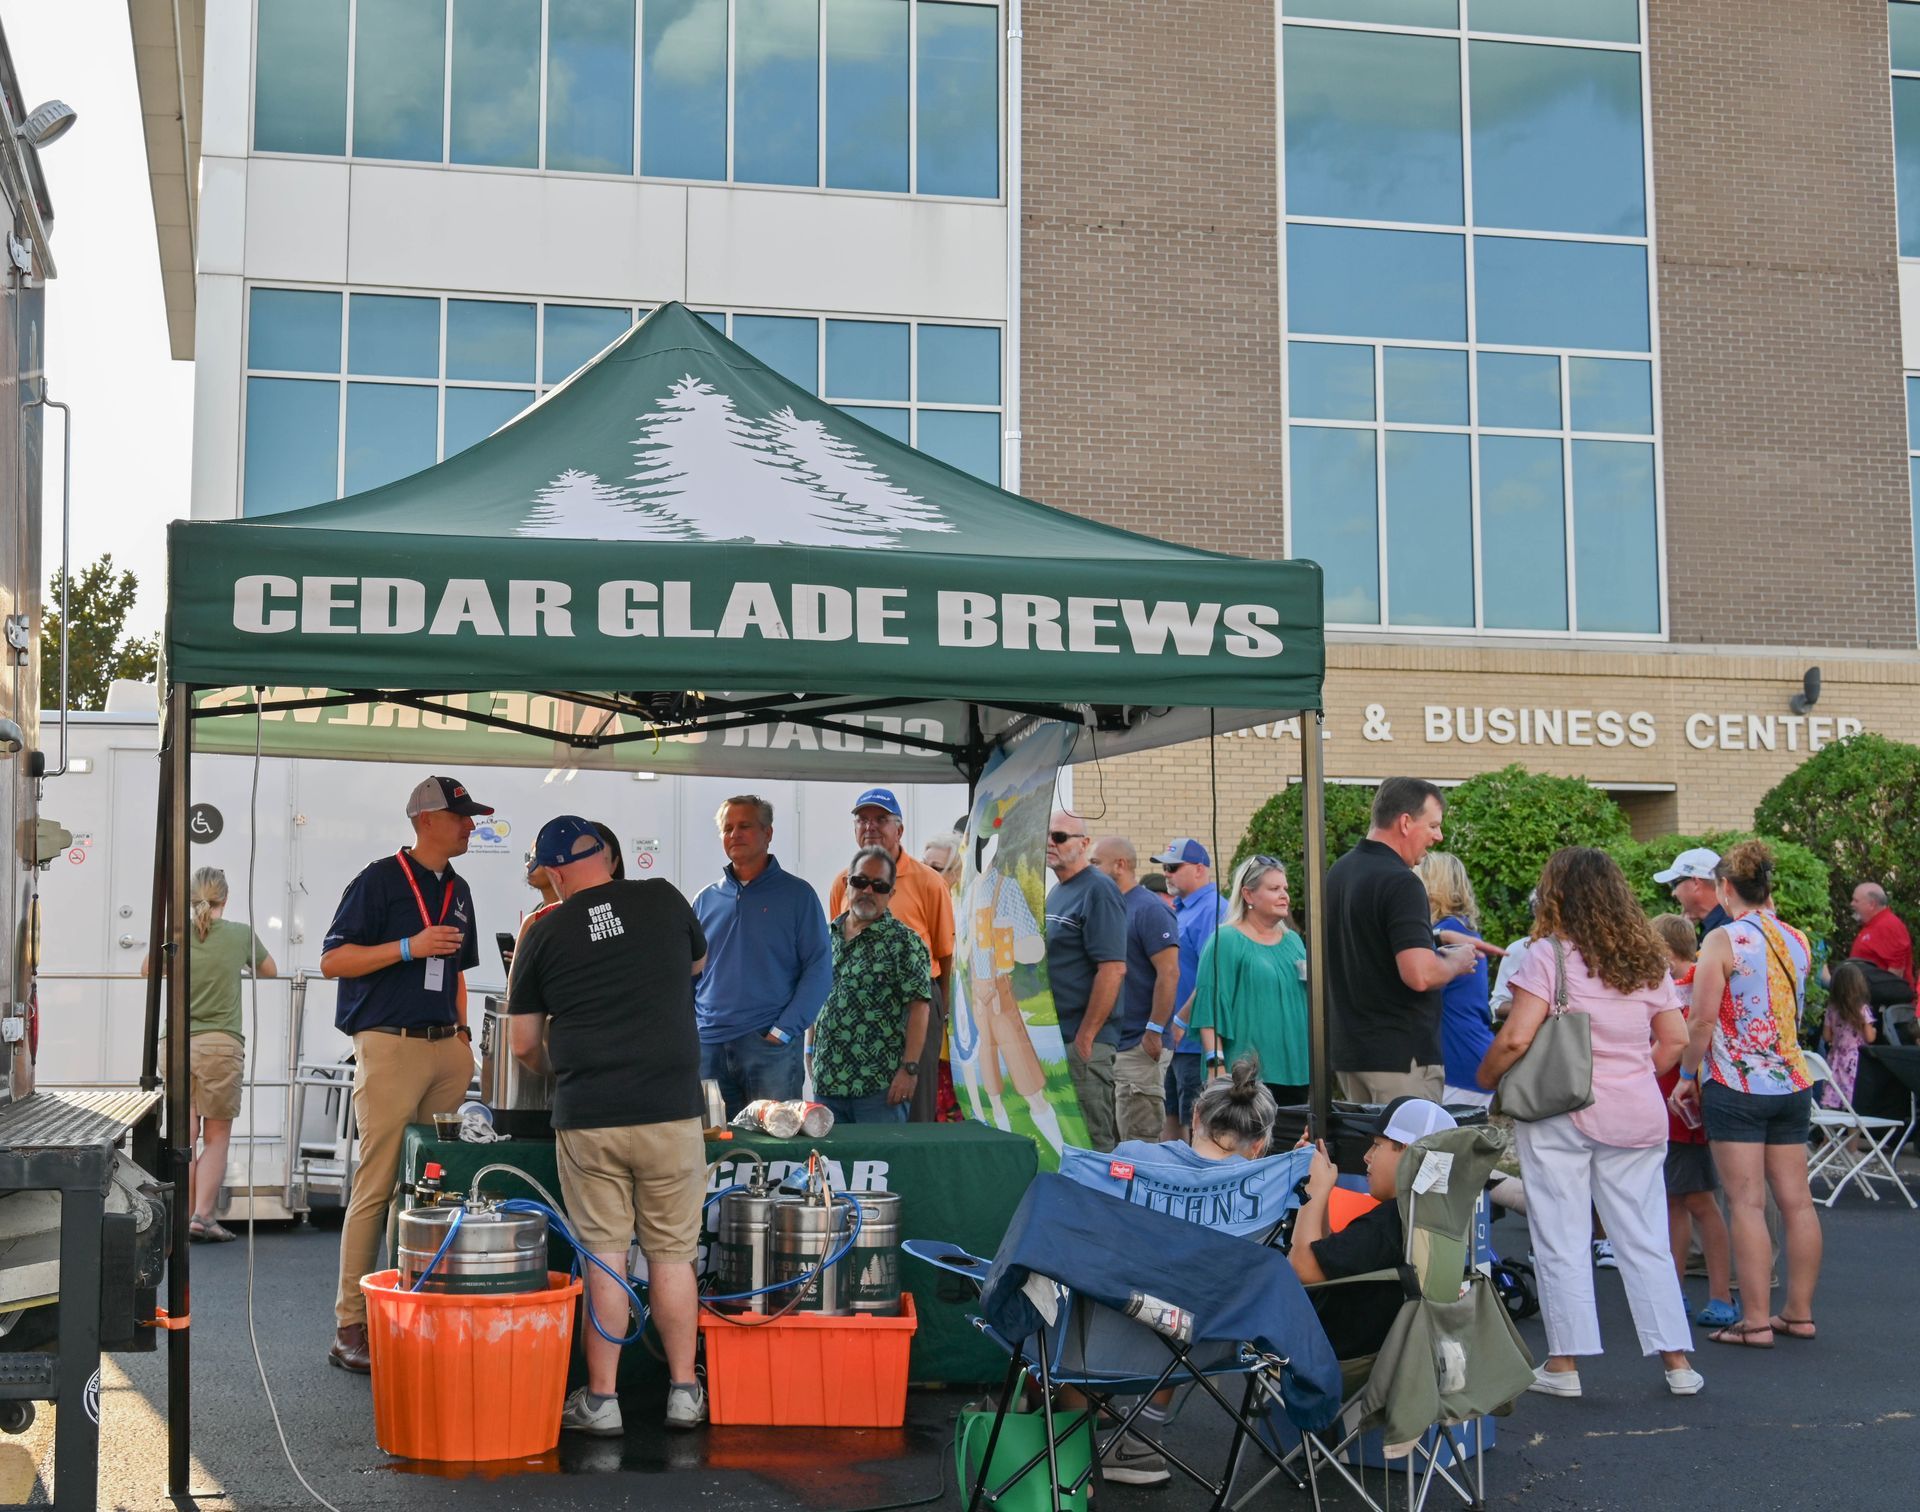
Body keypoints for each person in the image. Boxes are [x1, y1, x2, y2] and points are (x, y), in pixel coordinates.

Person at [507, 816, 709, 1434]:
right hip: (670, 1110)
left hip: (590, 1114)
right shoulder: (665, 898)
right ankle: (684, 1392)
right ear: (608, 856)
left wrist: (561, 1066)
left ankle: (602, 1401)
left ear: (554, 873)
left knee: (606, 1258)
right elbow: (697, 965)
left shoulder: (543, 930)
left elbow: (522, 1044)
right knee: (673, 1255)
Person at [1476, 847, 1701, 1398]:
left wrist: (1487, 1078)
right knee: (1644, 1237)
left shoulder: (1547, 956)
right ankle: (1677, 1363)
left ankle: (1564, 1366)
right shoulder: (1647, 958)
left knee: (1561, 1236)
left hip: (1563, 1111)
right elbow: (1674, 1040)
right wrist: (1632, 1074)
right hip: (1638, 1114)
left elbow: (1516, 1037)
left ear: (1556, 895)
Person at [318, 775, 488, 1373]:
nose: (471, 825)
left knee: (426, 1186)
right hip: (390, 1046)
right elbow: (333, 960)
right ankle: (350, 1325)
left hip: (445, 1049)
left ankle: (405, 1310)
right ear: (426, 820)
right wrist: (409, 947)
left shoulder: (460, 889)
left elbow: (458, 970)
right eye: (461, 816)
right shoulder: (379, 879)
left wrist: (463, 1036)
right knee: (378, 1183)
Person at [1668, 841, 1823, 1350]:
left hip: (1736, 1082)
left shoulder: (1724, 939)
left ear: (1726, 887)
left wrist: (1686, 1075)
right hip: (1791, 1080)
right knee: (1797, 1202)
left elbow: (1702, 1019)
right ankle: (1798, 1313)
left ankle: (1754, 1321)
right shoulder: (1796, 938)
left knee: (1747, 1203)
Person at [1099, 1058, 1279, 1485]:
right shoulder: (1269, 1192)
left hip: (1101, 1335)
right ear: (1259, 1144)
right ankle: (1140, 1441)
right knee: (1182, 1290)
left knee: (1083, 1290)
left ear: (1195, 1115)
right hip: (1208, 1339)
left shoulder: (1132, 1158)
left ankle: (1059, 1444)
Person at [142, 867, 277, 1244]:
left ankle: (183, 1218)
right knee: (216, 1137)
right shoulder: (239, 934)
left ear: (190, 899)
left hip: (176, 1045)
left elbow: (147, 970)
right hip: (221, 1046)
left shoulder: (175, 933)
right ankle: (202, 1216)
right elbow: (270, 970)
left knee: (184, 1136)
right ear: (225, 899)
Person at [1324, 779, 1478, 1103]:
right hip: (1401, 1059)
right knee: (1413, 1139)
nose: (1439, 836)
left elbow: (1366, 941)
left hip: (1351, 1054)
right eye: (1433, 825)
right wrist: (1456, 962)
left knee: (1364, 1140)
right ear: (1405, 822)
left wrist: (1435, 937)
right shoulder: (1401, 882)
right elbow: (1419, 974)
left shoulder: (1339, 872)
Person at [1288, 1097, 1460, 1361]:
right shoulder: (1430, 1215)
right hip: (1394, 1352)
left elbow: (1302, 1267)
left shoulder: (1391, 1222)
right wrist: (1321, 1189)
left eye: (1377, 1145)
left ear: (1408, 1154)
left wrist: (1310, 1189)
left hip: (1337, 1357)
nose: (1366, 1156)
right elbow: (1329, 1261)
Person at [691, 795, 832, 1116]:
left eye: (745, 826)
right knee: (711, 1139)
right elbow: (689, 971)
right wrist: (692, 1029)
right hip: (709, 1046)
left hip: (769, 1048)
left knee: (776, 1141)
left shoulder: (798, 895)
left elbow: (819, 969)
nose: (735, 834)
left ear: (768, 833)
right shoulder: (705, 899)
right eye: (728, 828)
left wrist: (784, 1030)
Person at [828, 789, 955, 1121]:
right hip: (856, 1012)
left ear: (899, 830)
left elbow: (945, 955)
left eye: (880, 819)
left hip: (915, 1004)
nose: (870, 826)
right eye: (862, 819)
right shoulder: (844, 882)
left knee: (914, 1099)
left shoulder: (930, 881)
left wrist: (943, 1015)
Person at [1650, 913, 1736, 1331]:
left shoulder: (1695, 984)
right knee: (1674, 1200)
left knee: (1701, 1201)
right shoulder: (1674, 985)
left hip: (1686, 1107)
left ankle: (1721, 1294)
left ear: (1666, 950)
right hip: (1671, 1109)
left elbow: (1696, 1034)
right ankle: (1676, 1287)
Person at [812, 846, 933, 1124]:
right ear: (847, 884)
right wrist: (810, 1051)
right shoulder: (824, 937)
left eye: (879, 886)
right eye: (860, 881)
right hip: (827, 1082)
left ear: (891, 894)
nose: (868, 891)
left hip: (879, 1089)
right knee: (827, 1155)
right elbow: (816, 996)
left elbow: (919, 1008)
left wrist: (909, 1070)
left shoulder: (905, 942)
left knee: (881, 1154)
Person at [1187, 855, 1310, 1106]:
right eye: (1274, 889)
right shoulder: (1226, 939)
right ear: (1248, 894)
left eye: (1285, 888)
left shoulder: (1294, 941)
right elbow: (1210, 1007)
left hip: (1297, 1072)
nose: (1284, 895)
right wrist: (1216, 1066)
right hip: (1245, 1077)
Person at [1044, 811, 1128, 1152]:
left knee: (1093, 1144)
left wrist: (1086, 1038)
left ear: (1084, 844)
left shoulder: (1098, 890)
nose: (1050, 842)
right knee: (1065, 1143)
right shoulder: (1058, 891)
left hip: (1083, 1045)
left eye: (1060, 836)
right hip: (1057, 1040)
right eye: (1046, 834)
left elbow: (1113, 969)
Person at [1090, 837, 1179, 1142]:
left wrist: (1154, 1030)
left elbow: (1169, 972)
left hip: (1138, 1047)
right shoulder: (1107, 907)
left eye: (1095, 863)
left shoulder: (1149, 909)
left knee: (1138, 1144)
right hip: (1108, 1045)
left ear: (1120, 865)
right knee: (1111, 1144)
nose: (1090, 869)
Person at [1155, 838, 1226, 1138]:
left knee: (1195, 1125)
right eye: (1164, 868)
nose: (1166, 874)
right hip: (1175, 1040)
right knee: (1170, 1116)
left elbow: (1214, 975)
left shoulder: (1213, 910)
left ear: (1199, 869)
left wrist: (1182, 1019)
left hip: (1194, 1041)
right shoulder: (1181, 909)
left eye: (1173, 867)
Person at [1418, 852, 1493, 1109]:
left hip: (1457, 1059)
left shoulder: (1448, 933)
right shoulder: (1460, 929)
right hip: (1468, 1053)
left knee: (1443, 1137)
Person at [1821, 961, 1878, 1110]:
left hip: (1836, 1058)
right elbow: (1869, 1037)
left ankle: (1830, 1123)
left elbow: (1827, 1036)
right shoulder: (1862, 1010)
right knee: (1853, 1097)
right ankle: (1853, 1123)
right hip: (1856, 1059)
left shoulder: (1832, 1009)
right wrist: (1874, 1031)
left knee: (1834, 1091)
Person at [1654, 848, 1729, 940]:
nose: (1673, 893)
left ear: (1695, 883)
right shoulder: (1722, 923)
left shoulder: (1726, 930)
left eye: (1674, 884)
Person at [1847, 883, 1913, 986]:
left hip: (1880, 995)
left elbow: (1896, 972)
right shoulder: (1874, 923)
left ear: (1872, 904)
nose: (1852, 904)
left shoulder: (1889, 926)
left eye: (1856, 901)